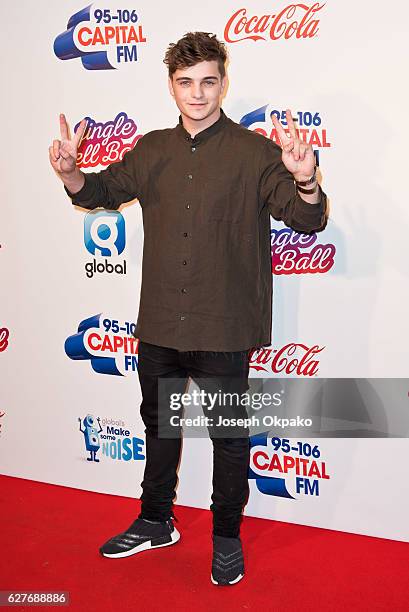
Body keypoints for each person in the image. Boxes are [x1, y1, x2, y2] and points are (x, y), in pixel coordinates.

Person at [49, 31, 328, 586]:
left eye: (208, 82)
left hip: (223, 326)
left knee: (228, 436)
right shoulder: (153, 149)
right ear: (171, 88)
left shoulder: (256, 154)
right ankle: (156, 520)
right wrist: (70, 174)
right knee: (158, 428)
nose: (197, 94)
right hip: (158, 324)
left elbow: (307, 221)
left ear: (224, 83)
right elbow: (100, 190)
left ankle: (226, 535)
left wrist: (305, 179)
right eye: (185, 83)